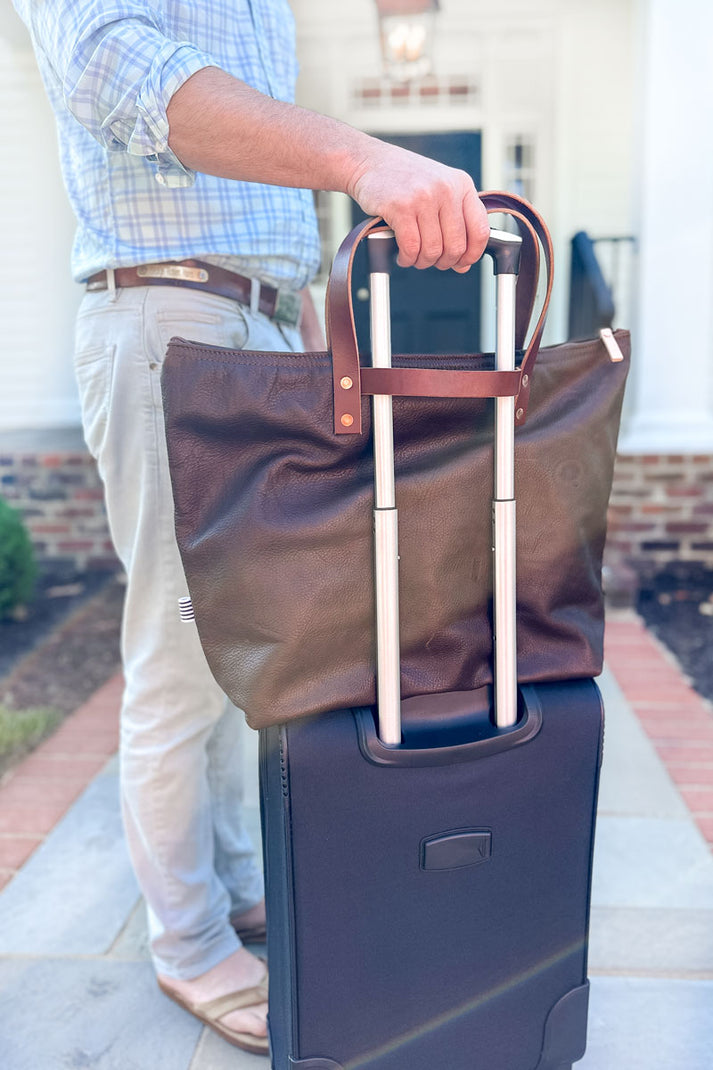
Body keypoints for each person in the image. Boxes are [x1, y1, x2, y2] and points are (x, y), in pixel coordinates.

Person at [14, 0, 489, 1055]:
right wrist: (361, 158)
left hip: (257, 324)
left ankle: (227, 881)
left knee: (241, 652)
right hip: (175, 317)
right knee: (180, 652)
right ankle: (183, 940)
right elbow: (114, 69)